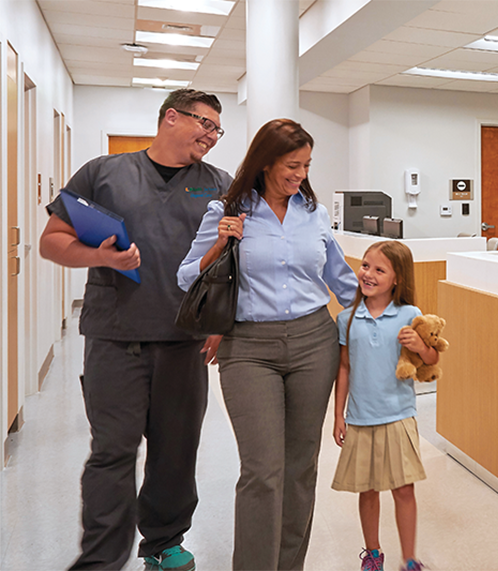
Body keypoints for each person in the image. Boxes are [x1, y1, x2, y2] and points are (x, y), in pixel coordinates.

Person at [39, 89, 233, 571]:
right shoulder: (102, 173)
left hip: (185, 344)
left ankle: (164, 543)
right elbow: (52, 242)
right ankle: (101, 559)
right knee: (113, 453)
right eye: (204, 124)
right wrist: (101, 256)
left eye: (216, 130)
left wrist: (221, 323)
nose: (210, 136)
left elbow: (234, 259)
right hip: (115, 338)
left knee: (176, 453)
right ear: (171, 117)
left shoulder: (219, 184)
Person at [177, 118, 358, 571]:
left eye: (306, 166)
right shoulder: (228, 210)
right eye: (291, 165)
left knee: (300, 468)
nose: (300, 174)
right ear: (264, 163)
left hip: (314, 340)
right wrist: (220, 243)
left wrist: (390, 315)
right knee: (262, 471)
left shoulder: (313, 214)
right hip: (248, 347)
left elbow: (340, 279)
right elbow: (186, 277)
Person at [332, 241, 438, 571]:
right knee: (368, 490)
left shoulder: (411, 315)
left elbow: (432, 361)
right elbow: (344, 367)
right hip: (361, 418)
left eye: (379, 270)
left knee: (403, 490)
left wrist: (421, 345)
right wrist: (338, 413)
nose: (368, 274)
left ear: (397, 279)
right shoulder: (347, 318)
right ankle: (373, 554)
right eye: (365, 266)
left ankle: (409, 559)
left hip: (398, 416)